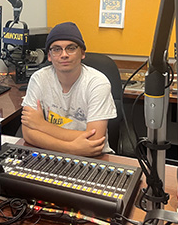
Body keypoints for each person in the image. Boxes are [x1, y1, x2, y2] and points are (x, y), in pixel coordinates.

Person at [21, 21, 117, 157]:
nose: (64, 54)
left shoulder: (97, 83)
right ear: (49, 56)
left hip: (92, 157)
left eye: (71, 48)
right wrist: (71, 148)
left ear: (82, 53)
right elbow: (28, 132)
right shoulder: (39, 79)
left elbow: (94, 140)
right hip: (52, 154)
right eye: (56, 49)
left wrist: (41, 125)